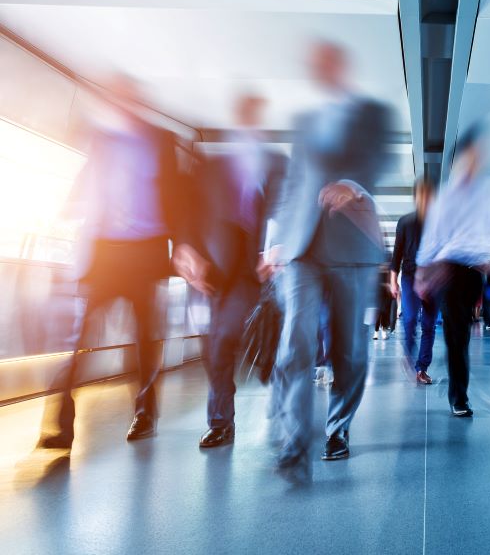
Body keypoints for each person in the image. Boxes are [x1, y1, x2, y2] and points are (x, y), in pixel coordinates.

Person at [38, 74, 190, 448]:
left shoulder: (160, 140)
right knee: (83, 338)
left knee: (145, 340)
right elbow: (86, 184)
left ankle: (144, 414)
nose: (121, 103)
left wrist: (182, 246)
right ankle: (60, 423)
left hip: (144, 252)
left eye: (127, 97)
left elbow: (175, 197)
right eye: (115, 97)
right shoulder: (103, 141)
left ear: (138, 102)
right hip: (105, 253)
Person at [261, 41, 390, 470]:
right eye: (313, 63)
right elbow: (293, 184)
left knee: (349, 348)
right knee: (295, 340)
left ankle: (337, 428)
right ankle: (294, 438)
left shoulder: (373, 114)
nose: (319, 68)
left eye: (326, 60)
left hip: (352, 243)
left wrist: (353, 183)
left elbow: (378, 160)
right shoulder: (306, 121)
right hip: (302, 247)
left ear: (341, 63)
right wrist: (275, 239)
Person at [175, 93, 286, 448]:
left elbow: (286, 207)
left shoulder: (276, 163)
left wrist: (276, 247)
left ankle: (232, 409)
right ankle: (222, 420)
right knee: (212, 346)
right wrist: (186, 248)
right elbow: (188, 214)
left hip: (252, 263)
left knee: (226, 337)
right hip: (212, 263)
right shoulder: (211, 167)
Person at [416, 125, 490, 416]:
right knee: (456, 335)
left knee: (462, 335)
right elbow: (434, 234)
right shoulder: (448, 196)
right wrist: (423, 271)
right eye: (473, 154)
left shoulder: (486, 195)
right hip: (450, 271)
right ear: (462, 157)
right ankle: (459, 397)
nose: (477, 161)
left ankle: (457, 383)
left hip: (473, 273)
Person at [390, 178, 436, 384]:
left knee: (429, 325)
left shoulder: (439, 223)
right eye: (422, 195)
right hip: (409, 277)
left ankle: (422, 368)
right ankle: (409, 352)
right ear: (416, 197)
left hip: (434, 280)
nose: (425, 199)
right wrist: (393, 281)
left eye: (429, 195)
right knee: (409, 319)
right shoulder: (405, 222)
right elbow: (396, 255)